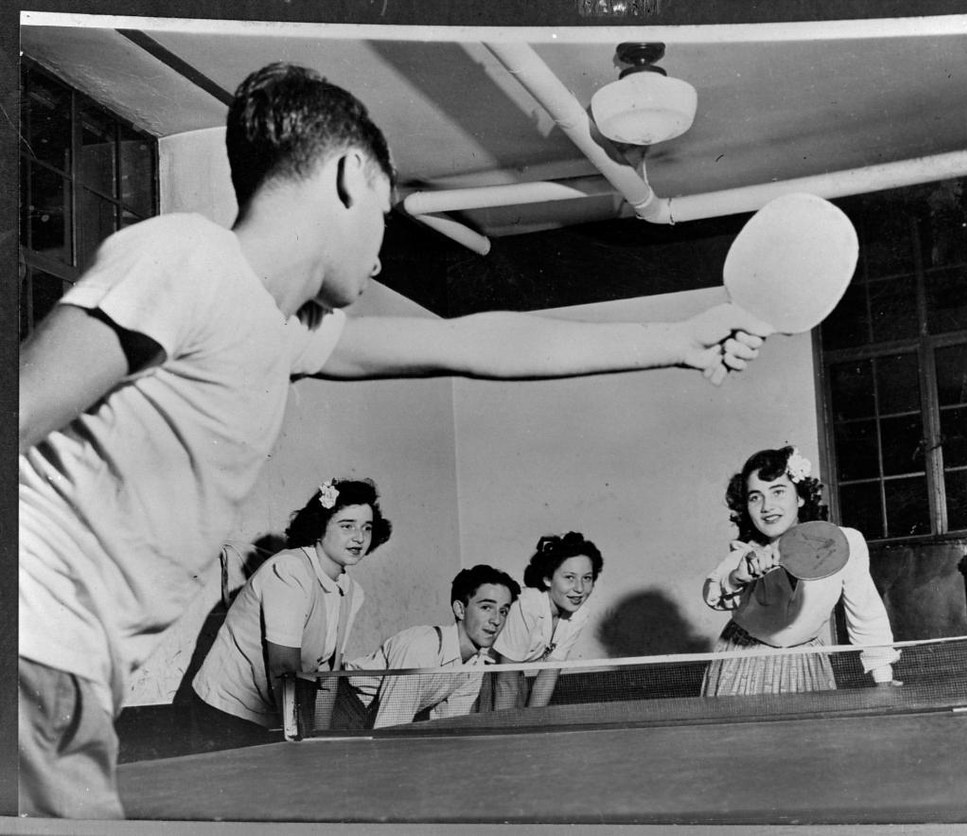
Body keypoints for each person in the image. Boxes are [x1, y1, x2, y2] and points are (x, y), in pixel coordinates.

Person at [18, 61, 769, 818]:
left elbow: (475, 345)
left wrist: (676, 339)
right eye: (383, 214)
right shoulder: (187, 257)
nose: (380, 256)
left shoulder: (280, 330)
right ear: (349, 176)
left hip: (81, 677)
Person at [188, 477, 389, 749]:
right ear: (320, 527)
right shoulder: (289, 570)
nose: (359, 537)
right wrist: (303, 738)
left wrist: (320, 736)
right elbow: (284, 668)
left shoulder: (352, 591)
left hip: (274, 712)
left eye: (367, 527)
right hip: (225, 710)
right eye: (347, 526)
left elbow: (329, 676)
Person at [700, 446, 900, 696]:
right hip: (743, 663)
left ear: (800, 497)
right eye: (755, 497)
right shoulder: (744, 554)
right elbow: (713, 591)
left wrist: (883, 677)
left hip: (807, 666)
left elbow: (866, 612)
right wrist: (737, 577)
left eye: (778, 491)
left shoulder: (843, 543)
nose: (766, 506)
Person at [336, 565, 520, 728]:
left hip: (373, 715)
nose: (496, 620)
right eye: (486, 607)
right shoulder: (420, 648)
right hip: (341, 700)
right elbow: (390, 726)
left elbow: (448, 726)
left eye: (503, 611)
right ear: (460, 610)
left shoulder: (476, 664)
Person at [492, 532, 603, 709]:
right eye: (569, 577)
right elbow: (505, 683)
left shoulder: (579, 615)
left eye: (587, 578)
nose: (580, 588)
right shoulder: (527, 605)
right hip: (482, 677)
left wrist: (535, 722)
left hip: (513, 679)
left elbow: (547, 678)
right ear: (547, 579)